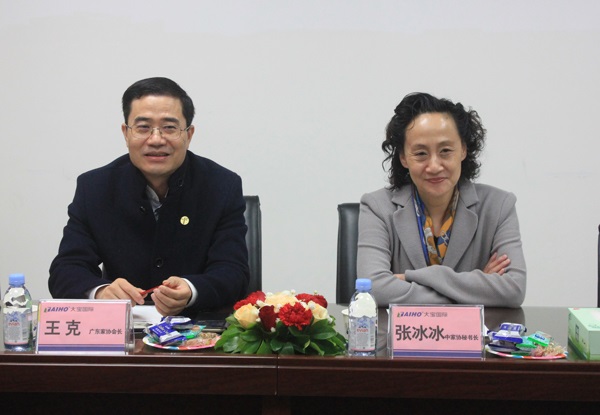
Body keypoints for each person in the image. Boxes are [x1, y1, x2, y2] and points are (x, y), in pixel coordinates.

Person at [49, 77, 249, 317]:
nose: (156, 139)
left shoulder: (222, 186)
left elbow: (233, 271)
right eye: (143, 127)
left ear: (189, 134)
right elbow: (66, 269)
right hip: (123, 329)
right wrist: (101, 292)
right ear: (126, 133)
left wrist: (192, 290)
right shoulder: (94, 188)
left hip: (197, 329)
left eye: (169, 127)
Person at [357, 92, 526, 308]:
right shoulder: (377, 207)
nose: (435, 166)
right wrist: (475, 288)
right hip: (405, 331)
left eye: (445, 151)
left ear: (463, 150)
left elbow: (514, 289)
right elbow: (375, 289)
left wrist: (411, 277)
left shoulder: (499, 206)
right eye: (421, 153)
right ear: (403, 157)